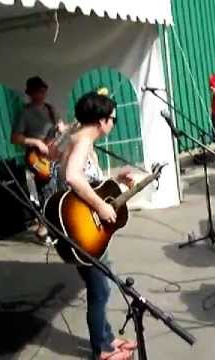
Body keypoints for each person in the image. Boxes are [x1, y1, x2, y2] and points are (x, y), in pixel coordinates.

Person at [56, 92, 137, 360]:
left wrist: (115, 177)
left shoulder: (81, 138)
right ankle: (101, 350)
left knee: (99, 286)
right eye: (113, 118)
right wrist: (102, 207)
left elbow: (89, 182)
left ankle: (107, 338)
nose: (114, 123)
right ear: (102, 120)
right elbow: (72, 177)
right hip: (81, 228)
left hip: (83, 227)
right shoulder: (82, 141)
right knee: (100, 290)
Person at [11, 76, 67, 239]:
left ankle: (59, 225)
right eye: (37, 91)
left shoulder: (50, 109)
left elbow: (62, 127)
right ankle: (47, 228)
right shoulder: (24, 113)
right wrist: (36, 142)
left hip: (54, 155)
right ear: (30, 94)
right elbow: (15, 138)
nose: (41, 94)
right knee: (46, 191)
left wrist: (66, 128)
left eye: (43, 90)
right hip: (37, 158)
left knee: (61, 187)